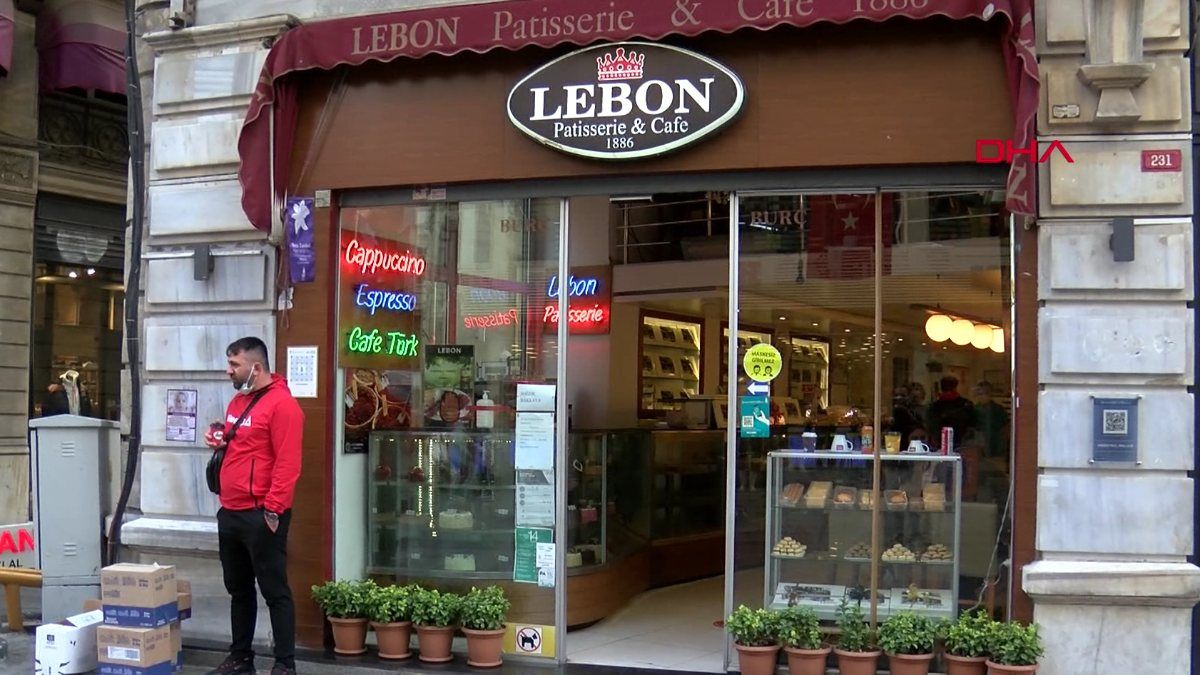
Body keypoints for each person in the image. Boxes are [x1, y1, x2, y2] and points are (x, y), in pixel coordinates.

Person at [205, 337, 304, 675]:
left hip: (262, 514)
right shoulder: (238, 402)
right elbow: (241, 444)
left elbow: (288, 464)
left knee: (275, 591)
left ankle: (284, 664)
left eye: (235, 364)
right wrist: (218, 437)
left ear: (256, 367)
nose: (228, 370)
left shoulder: (283, 406)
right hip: (230, 511)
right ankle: (241, 657)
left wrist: (273, 511)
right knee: (239, 590)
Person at [926, 376, 975, 448]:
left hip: (955, 443)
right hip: (954, 443)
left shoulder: (934, 406)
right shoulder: (966, 404)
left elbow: (931, 428)